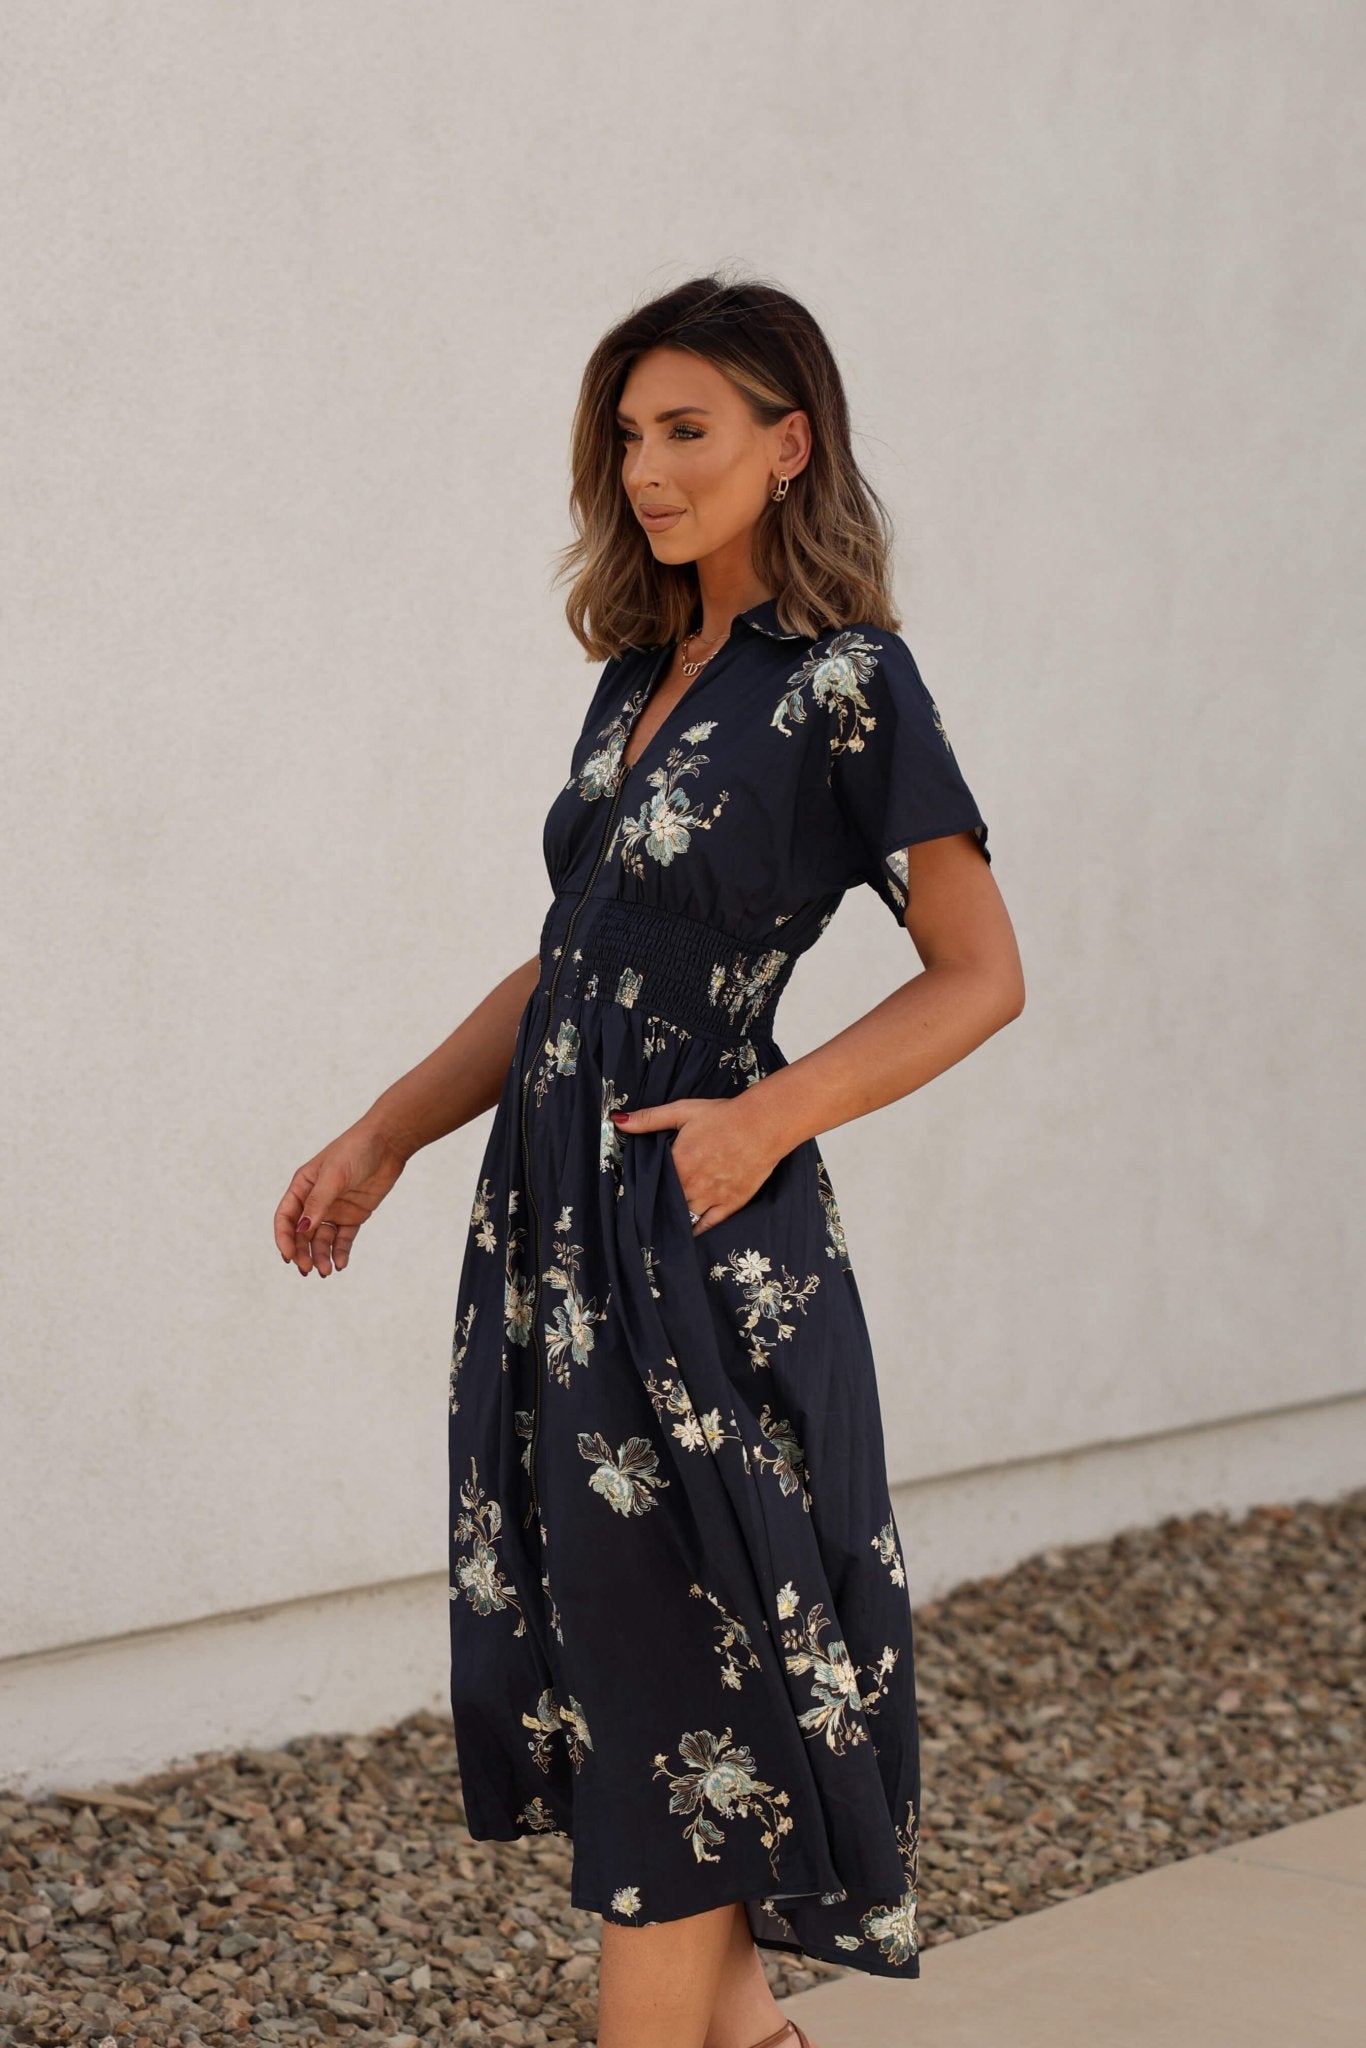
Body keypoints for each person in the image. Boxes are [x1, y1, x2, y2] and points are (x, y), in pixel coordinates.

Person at [275, 274, 1024, 2048]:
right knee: (641, 1676)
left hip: (697, 1247)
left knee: (678, 1692)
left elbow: (980, 974)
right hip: (561, 1241)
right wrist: (385, 1132)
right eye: (626, 437)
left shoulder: (849, 683)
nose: (646, 470)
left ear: (790, 444)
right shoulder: (636, 678)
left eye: (686, 430)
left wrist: (772, 1111)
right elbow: (573, 964)